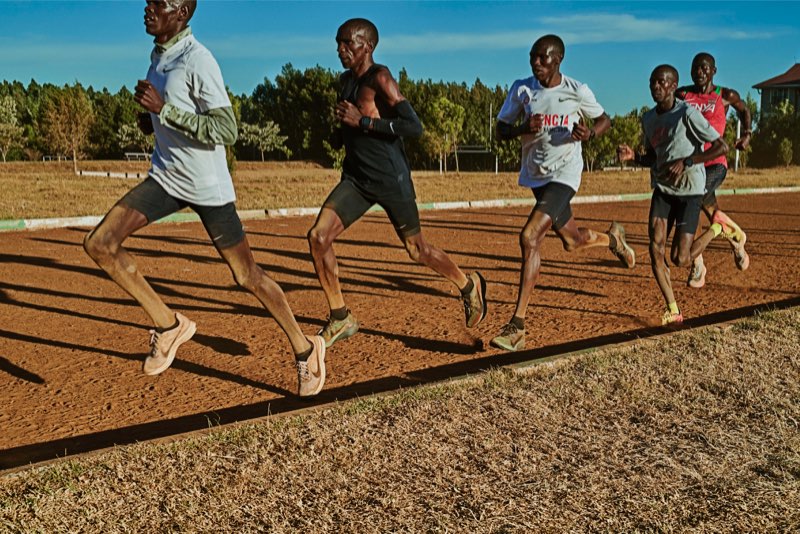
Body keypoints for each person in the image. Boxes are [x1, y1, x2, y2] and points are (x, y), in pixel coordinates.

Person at [84, 0, 326, 397]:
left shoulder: (199, 60)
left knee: (246, 275)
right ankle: (168, 325)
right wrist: (151, 119)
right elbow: (172, 118)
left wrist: (165, 109)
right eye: (148, 2)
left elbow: (227, 129)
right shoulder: (158, 59)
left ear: (181, 13)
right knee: (100, 243)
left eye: (158, 3)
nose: (147, 8)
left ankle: (305, 349)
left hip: (206, 186)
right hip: (165, 178)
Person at [307, 18, 487, 348]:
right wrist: (338, 132)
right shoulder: (345, 80)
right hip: (357, 180)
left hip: (391, 180)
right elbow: (350, 126)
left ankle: (467, 285)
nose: (340, 49)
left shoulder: (381, 78)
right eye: (338, 43)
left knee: (417, 250)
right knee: (318, 237)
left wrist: (360, 121)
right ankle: (340, 316)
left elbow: (413, 126)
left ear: (367, 46)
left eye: (347, 42)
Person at [491, 34, 635, 352]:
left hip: (566, 174)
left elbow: (604, 119)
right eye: (532, 57)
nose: (536, 62)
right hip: (537, 176)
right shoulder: (521, 88)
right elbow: (501, 129)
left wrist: (591, 133)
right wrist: (520, 128)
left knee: (530, 237)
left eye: (543, 57)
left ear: (558, 59)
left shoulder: (576, 90)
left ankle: (518, 326)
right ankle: (614, 239)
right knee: (572, 241)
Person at [618, 65, 732, 325]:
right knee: (655, 246)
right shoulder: (648, 119)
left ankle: (718, 228)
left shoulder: (687, 114)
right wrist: (634, 157)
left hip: (691, 190)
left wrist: (690, 161)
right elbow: (654, 157)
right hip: (663, 190)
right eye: (652, 82)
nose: (655, 87)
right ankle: (674, 310)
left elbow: (720, 146)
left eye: (661, 82)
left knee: (680, 258)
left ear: (673, 86)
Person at [676, 53, 751, 288]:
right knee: (709, 209)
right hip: (690, 164)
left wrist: (747, 135)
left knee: (691, 201)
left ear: (714, 71)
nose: (700, 72)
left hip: (715, 163)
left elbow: (745, 110)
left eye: (705, 68)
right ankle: (736, 240)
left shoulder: (725, 95)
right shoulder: (682, 95)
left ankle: (697, 266)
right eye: (696, 68)